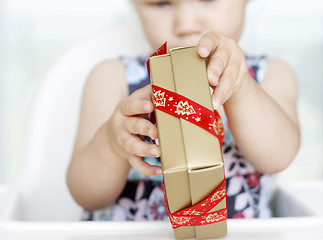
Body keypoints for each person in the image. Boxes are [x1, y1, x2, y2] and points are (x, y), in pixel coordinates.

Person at [66, 0, 300, 221]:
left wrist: (241, 86)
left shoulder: (269, 75)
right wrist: (112, 143)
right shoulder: (113, 77)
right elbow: (86, 194)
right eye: (161, 3)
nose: (186, 25)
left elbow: (278, 156)